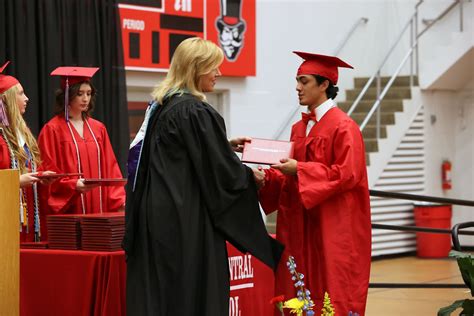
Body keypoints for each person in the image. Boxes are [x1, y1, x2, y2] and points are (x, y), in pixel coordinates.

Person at [123, 37, 283, 315]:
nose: (220, 74)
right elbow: (221, 173)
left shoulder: (163, 106)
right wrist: (250, 176)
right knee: (190, 290)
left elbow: (181, 155)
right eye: (214, 68)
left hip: (157, 216)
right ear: (196, 68)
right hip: (185, 217)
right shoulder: (195, 110)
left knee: (165, 294)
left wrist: (224, 144)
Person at [256, 52, 372, 315]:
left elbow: (347, 174)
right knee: (297, 282)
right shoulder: (299, 128)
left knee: (332, 286)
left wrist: (301, 169)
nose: (297, 87)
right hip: (300, 224)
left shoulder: (344, 127)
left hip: (332, 224)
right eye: (297, 81)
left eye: (304, 81)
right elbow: (290, 172)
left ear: (324, 85)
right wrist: (265, 177)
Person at [38, 67, 125, 215]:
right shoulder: (52, 129)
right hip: (71, 206)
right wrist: (72, 185)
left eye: (89, 94)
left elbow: (110, 167)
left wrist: (119, 199)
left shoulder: (98, 128)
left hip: (99, 206)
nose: (85, 99)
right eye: (80, 94)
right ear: (67, 95)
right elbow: (47, 172)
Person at [0, 61, 55, 241]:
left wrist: (39, 176)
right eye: (21, 93)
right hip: (6, 219)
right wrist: (15, 182)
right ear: (6, 99)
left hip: (27, 216)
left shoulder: (20, 134)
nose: (27, 98)